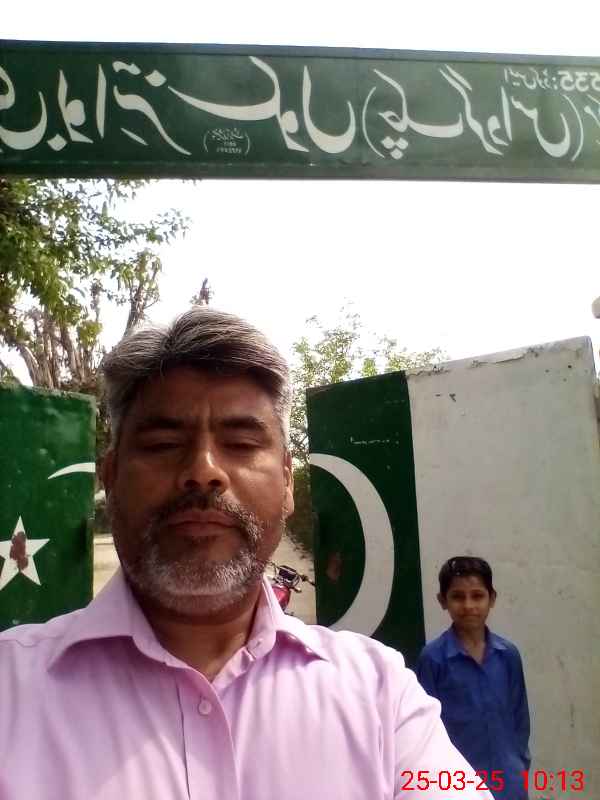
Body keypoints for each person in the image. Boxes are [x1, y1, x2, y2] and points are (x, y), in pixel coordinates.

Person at [0, 307, 492, 800]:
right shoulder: (10, 691)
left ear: (287, 481)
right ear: (110, 476)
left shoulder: (381, 695)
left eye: (239, 442)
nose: (203, 470)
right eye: (164, 443)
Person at [416, 556, 531, 800]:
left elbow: (520, 718)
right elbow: (425, 728)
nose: (468, 605)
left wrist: (519, 764)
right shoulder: (433, 659)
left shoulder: (507, 655)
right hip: (458, 785)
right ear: (442, 601)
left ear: (492, 599)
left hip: (509, 783)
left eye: (477, 596)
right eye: (458, 597)